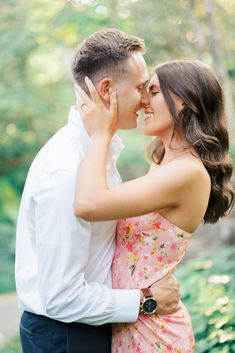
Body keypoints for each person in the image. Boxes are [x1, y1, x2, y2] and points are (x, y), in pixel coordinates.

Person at [15, 29, 181, 353]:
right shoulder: (65, 170)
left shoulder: (97, 152)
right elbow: (63, 298)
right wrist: (146, 301)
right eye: (139, 87)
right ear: (107, 90)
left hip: (84, 328)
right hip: (65, 335)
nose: (146, 99)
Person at [74, 59, 234, 352]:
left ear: (184, 102)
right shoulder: (162, 163)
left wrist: (101, 134)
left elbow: (89, 203)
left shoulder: (187, 172)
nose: (143, 101)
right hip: (134, 319)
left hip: (154, 333)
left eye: (154, 92)